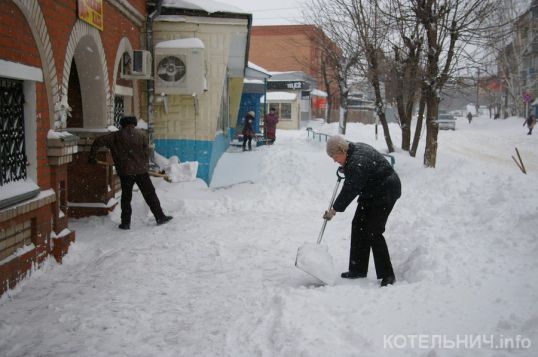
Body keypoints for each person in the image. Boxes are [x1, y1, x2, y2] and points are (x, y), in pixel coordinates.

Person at [323, 135, 401, 287]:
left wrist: (334, 209)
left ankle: (388, 275)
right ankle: (358, 268)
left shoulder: (357, 163)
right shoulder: (353, 151)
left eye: (334, 156)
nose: (334, 160)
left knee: (374, 230)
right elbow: (358, 173)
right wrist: (345, 167)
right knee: (358, 224)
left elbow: (350, 189)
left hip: (386, 190)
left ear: (341, 150)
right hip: (372, 191)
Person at [88, 116, 173, 230]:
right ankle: (160, 217)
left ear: (122, 124)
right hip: (141, 171)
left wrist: (92, 156)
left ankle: (125, 223)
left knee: (126, 198)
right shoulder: (141, 135)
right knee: (150, 194)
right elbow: (146, 152)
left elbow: (98, 141)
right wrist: (143, 164)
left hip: (125, 172)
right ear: (134, 124)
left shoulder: (115, 136)